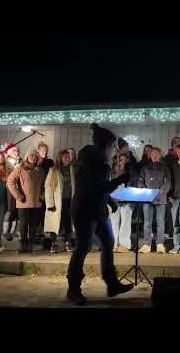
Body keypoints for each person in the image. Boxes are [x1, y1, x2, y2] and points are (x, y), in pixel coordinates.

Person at [66, 123, 133, 305]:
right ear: (105, 146)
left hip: (98, 210)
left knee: (107, 242)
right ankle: (73, 290)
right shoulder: (91, 163)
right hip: (85, 211)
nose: (114, 151)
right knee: (83, 247)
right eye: (112, 147)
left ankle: (111, 283)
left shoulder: (97, 162)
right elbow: (95, 187)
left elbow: (98, 189)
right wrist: (120, 180)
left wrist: (109, 201)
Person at [7, 151, 44, 253]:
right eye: (31, 155)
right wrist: (18, 195)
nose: (33, 157)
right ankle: (23, 245)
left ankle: (30, 245)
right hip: (23, 202)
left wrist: (42, 196)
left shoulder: (39, 171)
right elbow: (10, 181)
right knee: (23, 225)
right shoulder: (20, 168)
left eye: (35, 156)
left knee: (34, 225)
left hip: (36, 203)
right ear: (27, 156)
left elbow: (44, 185)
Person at [138, 147, 171, 254]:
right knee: (147, 222)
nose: (155, 155)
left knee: (160, 222)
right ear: (150, 155)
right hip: (147, 198)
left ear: (160, 155)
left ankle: (160, 244)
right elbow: (141, 182)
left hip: (161, 199)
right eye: (153, 154)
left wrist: (160, 192)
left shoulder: (165, 168)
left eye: (157, 153)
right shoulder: (145, 168)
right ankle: (147, 244)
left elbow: (168, 183)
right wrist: (146, 192)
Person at [44, 149, 74, 253]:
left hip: (69, 201)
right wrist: (50, 203)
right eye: (66, 157)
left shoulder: (72, 169)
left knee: (68, 223)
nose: (68, 159)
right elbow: (48, 187)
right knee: (55, 223)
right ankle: (54, 243)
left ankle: (68, 243)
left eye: (69, 157)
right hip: (57, 202)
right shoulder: (53, 170)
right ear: (60, 158)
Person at [110, 153, 136, 253]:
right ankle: (114, 243)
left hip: (127, 200)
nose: (123, 162)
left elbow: (133, 184)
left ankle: (124, 244)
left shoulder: (131, 172)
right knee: (114, 223)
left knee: (125, 222)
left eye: (125, 160)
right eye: (121, 160)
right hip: (114, 200)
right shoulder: (113, 172)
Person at [3, 143, 22, 241]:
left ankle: (15, 230)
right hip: (10, 189)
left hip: (20, 188)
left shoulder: (21, 162)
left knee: (19, 210)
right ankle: (6, 231)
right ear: (10, 153)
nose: (17, 152)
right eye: (14, 151)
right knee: (10, 210)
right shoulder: (6, 163)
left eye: (17, 150)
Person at [36, 141, 54, 238]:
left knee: (45, 210)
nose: (44, 152)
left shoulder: (50, 162)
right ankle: (37, 230)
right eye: (42, 150)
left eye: (46, 150)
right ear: (38, 150)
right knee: (37, 211)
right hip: (37, 189)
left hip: (47, 189)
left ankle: (45, 229)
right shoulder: (35, 161)